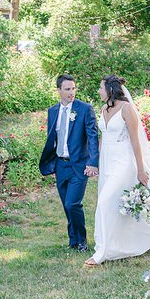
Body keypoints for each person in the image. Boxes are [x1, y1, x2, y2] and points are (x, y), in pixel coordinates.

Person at [85, 75, 150, 265]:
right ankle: (111, 242)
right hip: (107, 162)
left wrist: (140, 170)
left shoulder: (126, 108)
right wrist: (95, 162)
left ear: (110, 90)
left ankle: (103, 252)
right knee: (111, 203)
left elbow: (135, 141)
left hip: (123, 162)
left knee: (105, 202)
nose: (98, 91)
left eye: (101, 88)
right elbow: (103, 137)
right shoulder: (104, 108)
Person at [39, 74, 99, 253]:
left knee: (73, 204)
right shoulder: (53, 111)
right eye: (67, 89)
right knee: (66, 204)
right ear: (59, 90)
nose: (71, 92)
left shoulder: (85, 109)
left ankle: (82, 241)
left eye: (73, 88)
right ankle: (73, 240)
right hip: (60, 164)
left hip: (79, 165)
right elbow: (53, 138)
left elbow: (93, 137)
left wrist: (93, 162)